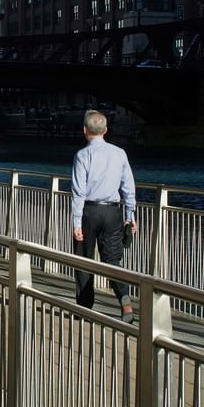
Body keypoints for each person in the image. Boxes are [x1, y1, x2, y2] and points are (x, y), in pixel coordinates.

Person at [71, 109, 137, 322]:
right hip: (112, 211)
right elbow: (128, 186)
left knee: (84, 259)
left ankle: (85, 309)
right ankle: (124, 300)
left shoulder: (82, 155)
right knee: (112, 259)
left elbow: (78, 192)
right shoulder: (120, 153)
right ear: (106, 130)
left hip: (89, 211)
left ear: (85, 131)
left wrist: (76, 222)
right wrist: (130, 215)